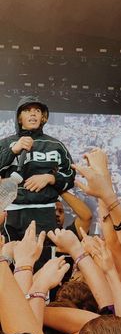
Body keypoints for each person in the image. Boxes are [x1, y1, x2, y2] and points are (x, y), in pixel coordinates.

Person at [0, 96, 75, 241]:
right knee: (9, 261)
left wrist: (51, 178)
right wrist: (13, 150)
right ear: (19, 118)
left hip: (45, 213)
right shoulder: (5, 144)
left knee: (43, 260)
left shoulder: (55, 145)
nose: (33, 113)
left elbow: (70, 175)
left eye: (37, 110)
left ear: (43, 117)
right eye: (27, 110)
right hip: (11, 213)